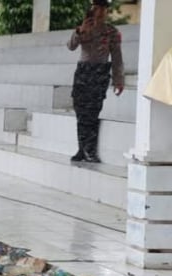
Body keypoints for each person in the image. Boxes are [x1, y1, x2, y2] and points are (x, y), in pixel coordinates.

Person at [67, 0, 124, 163]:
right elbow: (70, 46)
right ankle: (81, 148)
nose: (98, 11)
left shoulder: (112, 32)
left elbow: (117, 57)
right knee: (80, 111)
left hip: (99, 72)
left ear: (106, 11)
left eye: (102, 8)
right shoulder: (83, 27)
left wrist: (118, 79)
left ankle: (90, 151)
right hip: (83, 72)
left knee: (92, 112)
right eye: (96, 8)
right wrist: (80, 31)